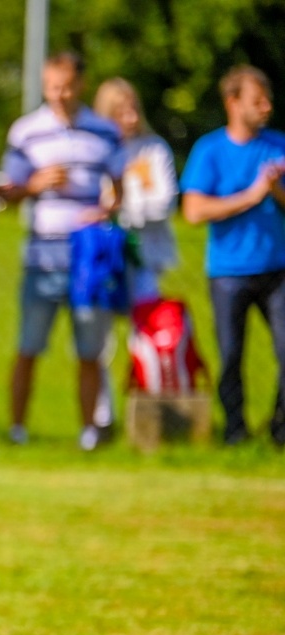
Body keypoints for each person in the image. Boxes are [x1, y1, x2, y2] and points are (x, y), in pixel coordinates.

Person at [0, 52, 123, 451]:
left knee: (90, 349)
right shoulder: (26, 131)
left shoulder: (104, 132)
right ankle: (17, 429)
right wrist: (33, 185)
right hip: (42, 256)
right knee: (29, 345)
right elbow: (9, 193)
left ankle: (88, 431)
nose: (59, 95)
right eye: (52, 87)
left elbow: (119, 189)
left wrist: (104, 208)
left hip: (87, 258)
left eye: (66, 87)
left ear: (80, 84)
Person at [180, 65, 285, 446]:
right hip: (228, 271)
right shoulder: (210, 150)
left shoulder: (279, 146)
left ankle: (280, 432)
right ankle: (235, 434)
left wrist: (276, 193)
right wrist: (251, 195)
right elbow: (193, 211)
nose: (267, 107)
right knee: (230, 357)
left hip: (278, 268)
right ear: (233, 103)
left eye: (268, 99)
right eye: (257, 100)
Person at [93, 77, 179, 430]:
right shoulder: (97, 149)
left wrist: (124, 202)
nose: (129, 118)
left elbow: (164, 202)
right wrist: (125, 201)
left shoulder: (153, 149)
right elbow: (95, 203)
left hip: (145, 257)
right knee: (99, 342)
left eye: (132, 110)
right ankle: (101, 419)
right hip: (103, 258)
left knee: (146, 336)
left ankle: (147, 416)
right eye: (119, 112)